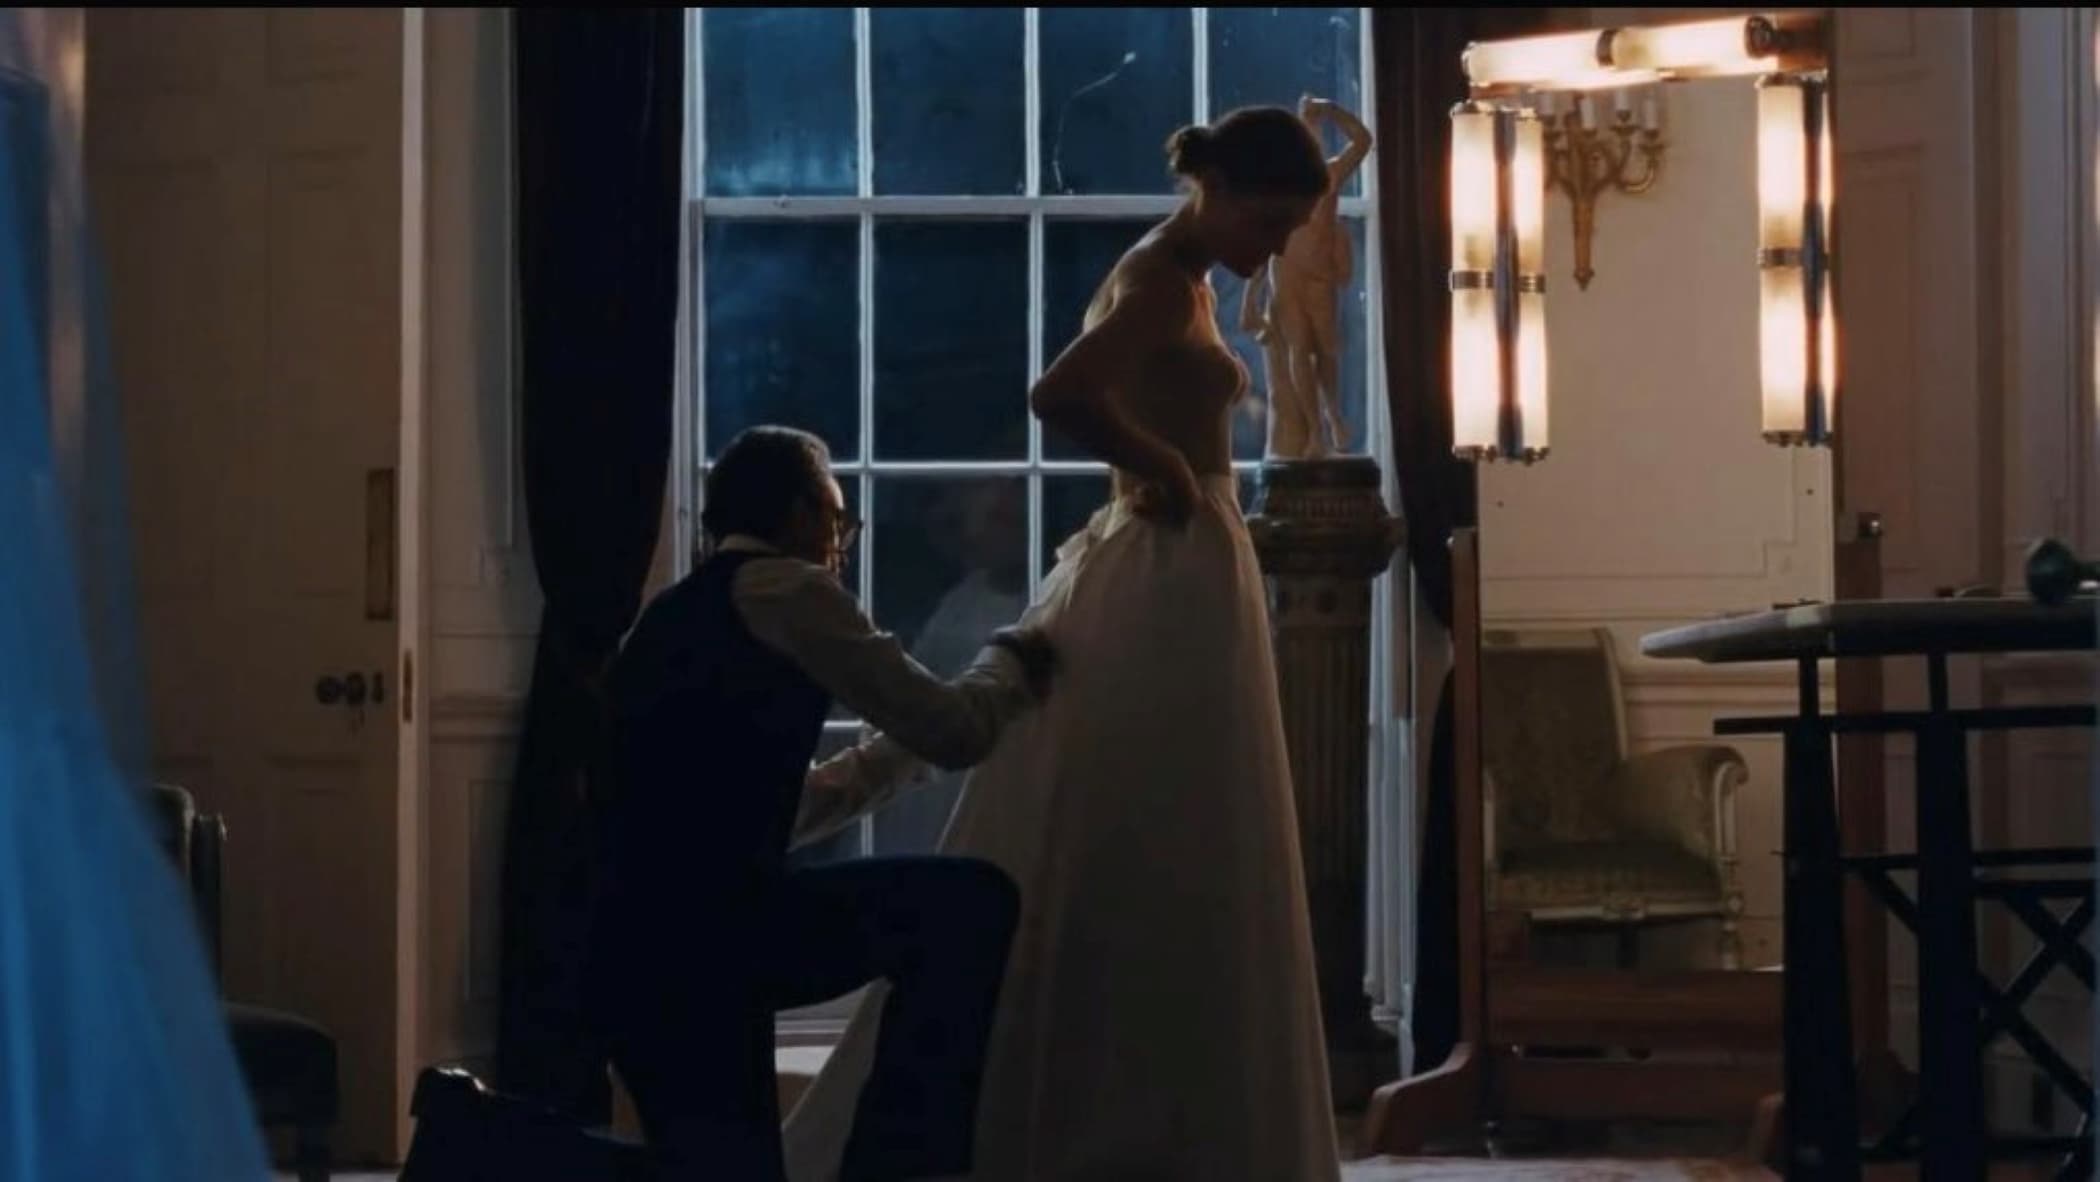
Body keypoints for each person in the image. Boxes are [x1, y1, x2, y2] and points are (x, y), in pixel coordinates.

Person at [783, 107, 1342, 1182]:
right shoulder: (1159, 281)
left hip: (1185, 559)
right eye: (1268, 223)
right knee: (1166, 819)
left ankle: (1174, 1112)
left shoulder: (1183, 280)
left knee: (1186, 821)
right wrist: (1161, 465)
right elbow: (1059, 394)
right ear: (1218, 190)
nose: (1274, 248)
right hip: (1167, 562)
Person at [587, 425, 1057, 1182]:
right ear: (802, 513)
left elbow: (772, 810)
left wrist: (895, 755)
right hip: (724, 938)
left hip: (632, 948)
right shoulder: (793, 590)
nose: (841, 545)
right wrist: (1008, 664)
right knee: (971, 903)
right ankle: (894, 1161)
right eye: (839, 520)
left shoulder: (669, 616)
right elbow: (958, 731)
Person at [1242, 95, 1373, 459]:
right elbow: (1263, 241)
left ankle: (1333, 415)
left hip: (1319, 273)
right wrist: (1250, 299)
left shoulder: (1330, 174)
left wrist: (1330, 110)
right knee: (1298, 349)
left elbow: (1363, 141)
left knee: (1327, 348)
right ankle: (1316, 431)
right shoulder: (1278, 186)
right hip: (1285, 272)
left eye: (1315, 132)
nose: (1312, 138)